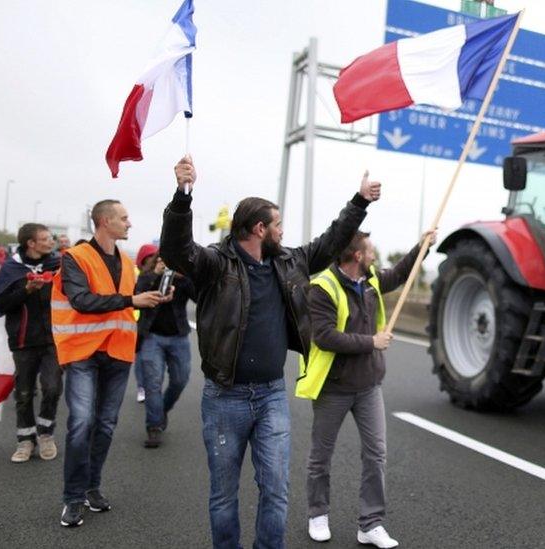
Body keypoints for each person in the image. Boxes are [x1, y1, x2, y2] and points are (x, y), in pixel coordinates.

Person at [160, 155, 380, 549]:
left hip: (272, 395)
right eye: (277, 224)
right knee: (224, 495)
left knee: (276, 491)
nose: (283, 230)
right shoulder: (215, 263)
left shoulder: (290, 261)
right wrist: (182, 195)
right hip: (225, 397)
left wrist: (359, 202)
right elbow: (177, 251)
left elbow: (331, 241)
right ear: (260, 229)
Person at [300, 230, 435, 548]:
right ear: (357, 256)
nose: (374, 255)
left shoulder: (372, 279)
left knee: (376, 455)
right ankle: (318, 514)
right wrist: (371, 342)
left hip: (368, 386)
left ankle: (371, 524)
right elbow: (325, 336)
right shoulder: (322, 288)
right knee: (321, 457)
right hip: (333, 387)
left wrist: (423, 246)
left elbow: (402, 272)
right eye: (370, 251)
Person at [55, 200, 170, 528]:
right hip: (83, 352)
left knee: (105, 424)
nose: (129, 223)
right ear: (105, 222)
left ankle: (92, 487)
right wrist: (131, 300)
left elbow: (130, 300)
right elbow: (81, 300)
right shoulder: (75, 258)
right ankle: (73, 499)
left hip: (118, 352)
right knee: (80, 423)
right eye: (123, 218)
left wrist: (154, 298)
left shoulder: (125, 260)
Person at [0, 224, 62, 463]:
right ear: (31, 243)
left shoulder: (57, 264)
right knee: (23, 393)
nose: (50, 242)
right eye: (45, 238)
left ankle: (45, 434)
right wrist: (27, 289)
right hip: (23, 340)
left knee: (52, 388)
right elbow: (1, 304)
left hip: (53, 338)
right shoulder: (12, 269)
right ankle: (25, 439)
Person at [135, 253, 195, 448]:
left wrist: (184, 276)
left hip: (178, 337)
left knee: (180, 380)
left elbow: (198, 296)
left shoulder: (181, 279)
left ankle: (161, 412)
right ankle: (154, 427)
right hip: (152, 336)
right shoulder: (147, 277)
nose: (166, 265)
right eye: (162, 261)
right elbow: (137, 293)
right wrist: (155, 275)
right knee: (152, 383)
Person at [132, 243, 161, 403]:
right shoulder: (142, 275)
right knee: (141, 359)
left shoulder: (167, 275)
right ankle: (141, 387)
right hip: (140, 325)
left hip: (152, 326)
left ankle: (148, 387)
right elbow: (137, 292)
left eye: (154, 258)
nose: (152, 262)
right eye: (148, 259)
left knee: (150, 364)